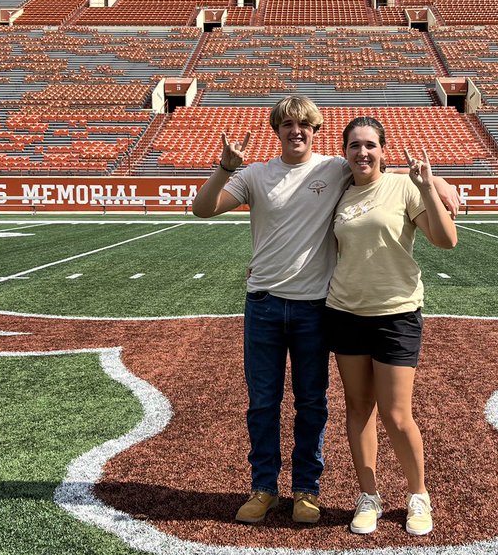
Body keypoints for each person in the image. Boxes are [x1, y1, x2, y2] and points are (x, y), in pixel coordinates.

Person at [192, 95, 458, 527]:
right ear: (276, 130)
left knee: (313, 403)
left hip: (317, 307)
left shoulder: (333, 168)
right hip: (265, 303)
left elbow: (381, 166)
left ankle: (306, 490)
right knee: (263, 402)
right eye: (288, 124)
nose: (296, 130)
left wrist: (438, 183)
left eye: (305, 124)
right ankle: (263, 488)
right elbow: (201, 209)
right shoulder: (257, 174)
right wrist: (224, 167)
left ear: (315, 131)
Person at [324, 116, 457, 537]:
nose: (362, 153)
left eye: (370, 145)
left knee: (398, 414)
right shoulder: (339, 190)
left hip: (396, 312)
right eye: (354, 146)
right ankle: (369, 496)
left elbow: (446, 239)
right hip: (345, 311)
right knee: (358, 408)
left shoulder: (404, 186)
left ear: (383, 149)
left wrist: (431, 187)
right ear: (344, 152)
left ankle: (417, 494)